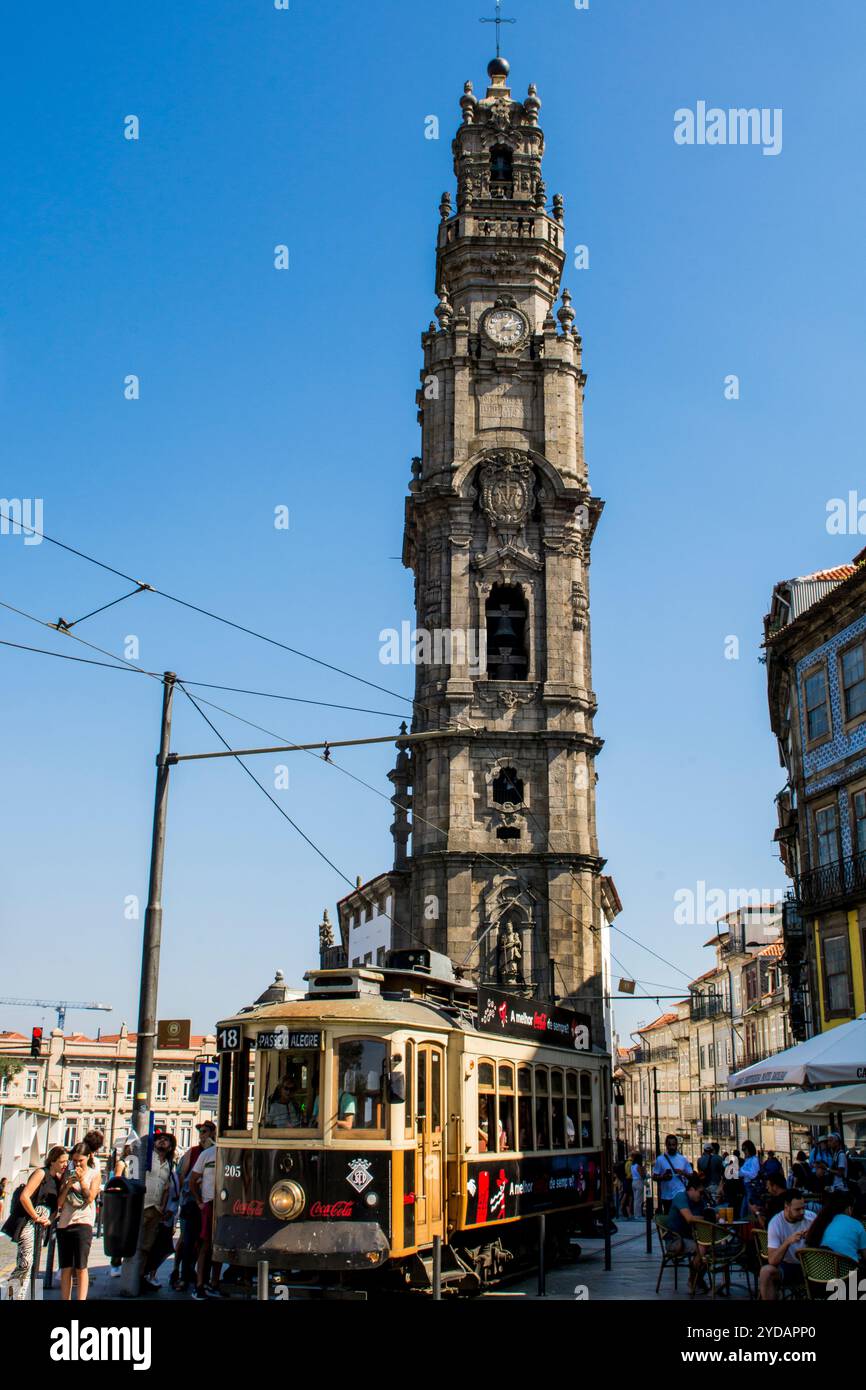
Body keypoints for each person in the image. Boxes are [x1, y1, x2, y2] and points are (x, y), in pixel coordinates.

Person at [6, 1146, 67, 1300]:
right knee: (25, 1261)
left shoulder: (58, 1179)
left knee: (32, 1263)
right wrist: (35, 1216)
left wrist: (68, 1185)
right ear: (52, 1161)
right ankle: (11, 1296)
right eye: (62, 1161)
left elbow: (58, 1204)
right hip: (29, 1222)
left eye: (66, 1162)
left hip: (42, 1225)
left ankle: (22, 1296)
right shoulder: (41, 1173)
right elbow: (25, 1196)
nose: (65, 1164)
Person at [56, 1143, 101, 1301]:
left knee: (81, 1266)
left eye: (80, 1160)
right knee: (66, 1267)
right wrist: (68, 1184)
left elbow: (90, 1199)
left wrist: (82, 1181)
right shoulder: (67, 1171)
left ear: (88, 1157)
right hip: (65, 1223)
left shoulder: (94, 1173)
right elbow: (60, 1203)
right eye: (74, 1160)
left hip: (83, 1222)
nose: (76, 1163)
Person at [173, 1121, 214, 1292]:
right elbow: (183, 1176)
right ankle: (180, 1273)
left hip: (206, 1202)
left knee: (203, 1242)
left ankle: (198, 1276)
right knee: (186, 1240)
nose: (202, 1135)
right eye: (200, 1132)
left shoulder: (212, 1151)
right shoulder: (194, 1152)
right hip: (191, 1203)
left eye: (205, 1131)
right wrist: (187, 1197)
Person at [135, 1132, 176, 1294]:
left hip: (156, 1209)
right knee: (137, 1244)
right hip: (142, 1206)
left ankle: (140, 1276)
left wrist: (163, 1208)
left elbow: (166, 1188)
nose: (163, 1141)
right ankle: (132, 1276)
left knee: (147, 1246)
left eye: (166, 1140)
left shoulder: (169, 1164)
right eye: (160, 1139)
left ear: (171, 1147)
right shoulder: (147, 1157)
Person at [189, 1125, 224, 1299]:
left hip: (225, 1206)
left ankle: (214, 1282)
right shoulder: (207, 1154)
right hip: (209, 1204)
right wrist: (199, 1202)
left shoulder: (227, 1152)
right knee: (205, 1245)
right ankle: (200, 1284)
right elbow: (193, 1180)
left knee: (220, 1245)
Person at [758, 1192, 813, 1300]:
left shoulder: (811, 1218)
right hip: (788, 1266)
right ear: (786, 1207)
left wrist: (812, 1237)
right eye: (797, 1209)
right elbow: (772, 1260)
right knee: (766, 1271)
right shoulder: (776, 1223)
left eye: (803, 1208)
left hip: (810, 1266)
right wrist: (788, 1242)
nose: (802, 1212)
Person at [666, 1174, 713, 1294]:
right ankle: (693, 1280)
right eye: (700, 1192)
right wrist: (707, 1217)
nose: (701, 1195)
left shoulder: (699, 1201)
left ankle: (697, 1278)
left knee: (711, 1247)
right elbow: (689, 1218)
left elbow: (708, 1215)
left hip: (691, 1238)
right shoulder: (681, 1197)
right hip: (676, 1240)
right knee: (703, 1248)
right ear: (691, 1189)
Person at [805, 1190, 866, 1266]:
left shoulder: (821, 1222)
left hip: (821, 1273)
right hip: (849, 1274)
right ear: (849, 1208)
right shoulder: (856, 1224)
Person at [651, 1135, 692, 1214]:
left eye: (673, 1145)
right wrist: (663, 1177)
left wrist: (682, 1173)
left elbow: (691, 1175)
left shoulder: (683, 1159)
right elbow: (654, 1176)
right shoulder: (660, 1159)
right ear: (666, 1145)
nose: (671, 1147)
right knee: (669, 1218)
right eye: (669, 1145)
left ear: (677, 1145)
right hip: (666, 1196)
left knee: (681, 1217)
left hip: (680, 1193)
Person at [739, 1140, 761, 1219]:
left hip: (751, 1187)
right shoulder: (747, 1160)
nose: (744, 1152)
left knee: (749, 1210)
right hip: (746, 1186)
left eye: (744, 1149)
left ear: (749, 1149)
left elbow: (754, 1174)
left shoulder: (754, 1160)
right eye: (742, 1150)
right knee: (743, 1211)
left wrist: (742, 1172)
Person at [630, 1151, 646, 1220]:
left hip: (633, 1181)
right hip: (639, 1182)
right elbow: (642, 1175)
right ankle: (638, 1215)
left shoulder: (632, 1165)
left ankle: (635, 1214)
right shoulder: (638, 1166)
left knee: (635, 1199)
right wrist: (644, 1171)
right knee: (639, 1200)